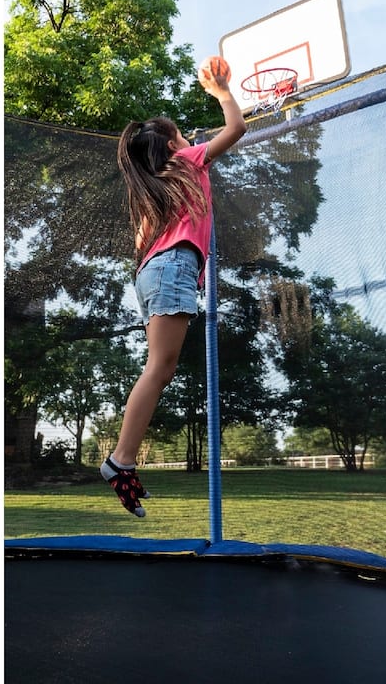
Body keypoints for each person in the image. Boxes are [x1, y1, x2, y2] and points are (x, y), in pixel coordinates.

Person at [101, 65, 246, 516]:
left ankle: (122, 462)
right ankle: (120, 460)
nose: (190, 143)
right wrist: (222, 91)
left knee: (159, 369)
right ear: (172, 146)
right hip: (172, 269)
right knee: (159, 369)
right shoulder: (183, 162)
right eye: (184, 137)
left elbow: (143, 246)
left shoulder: (151, 195)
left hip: (152, 274)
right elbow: (237, 128)